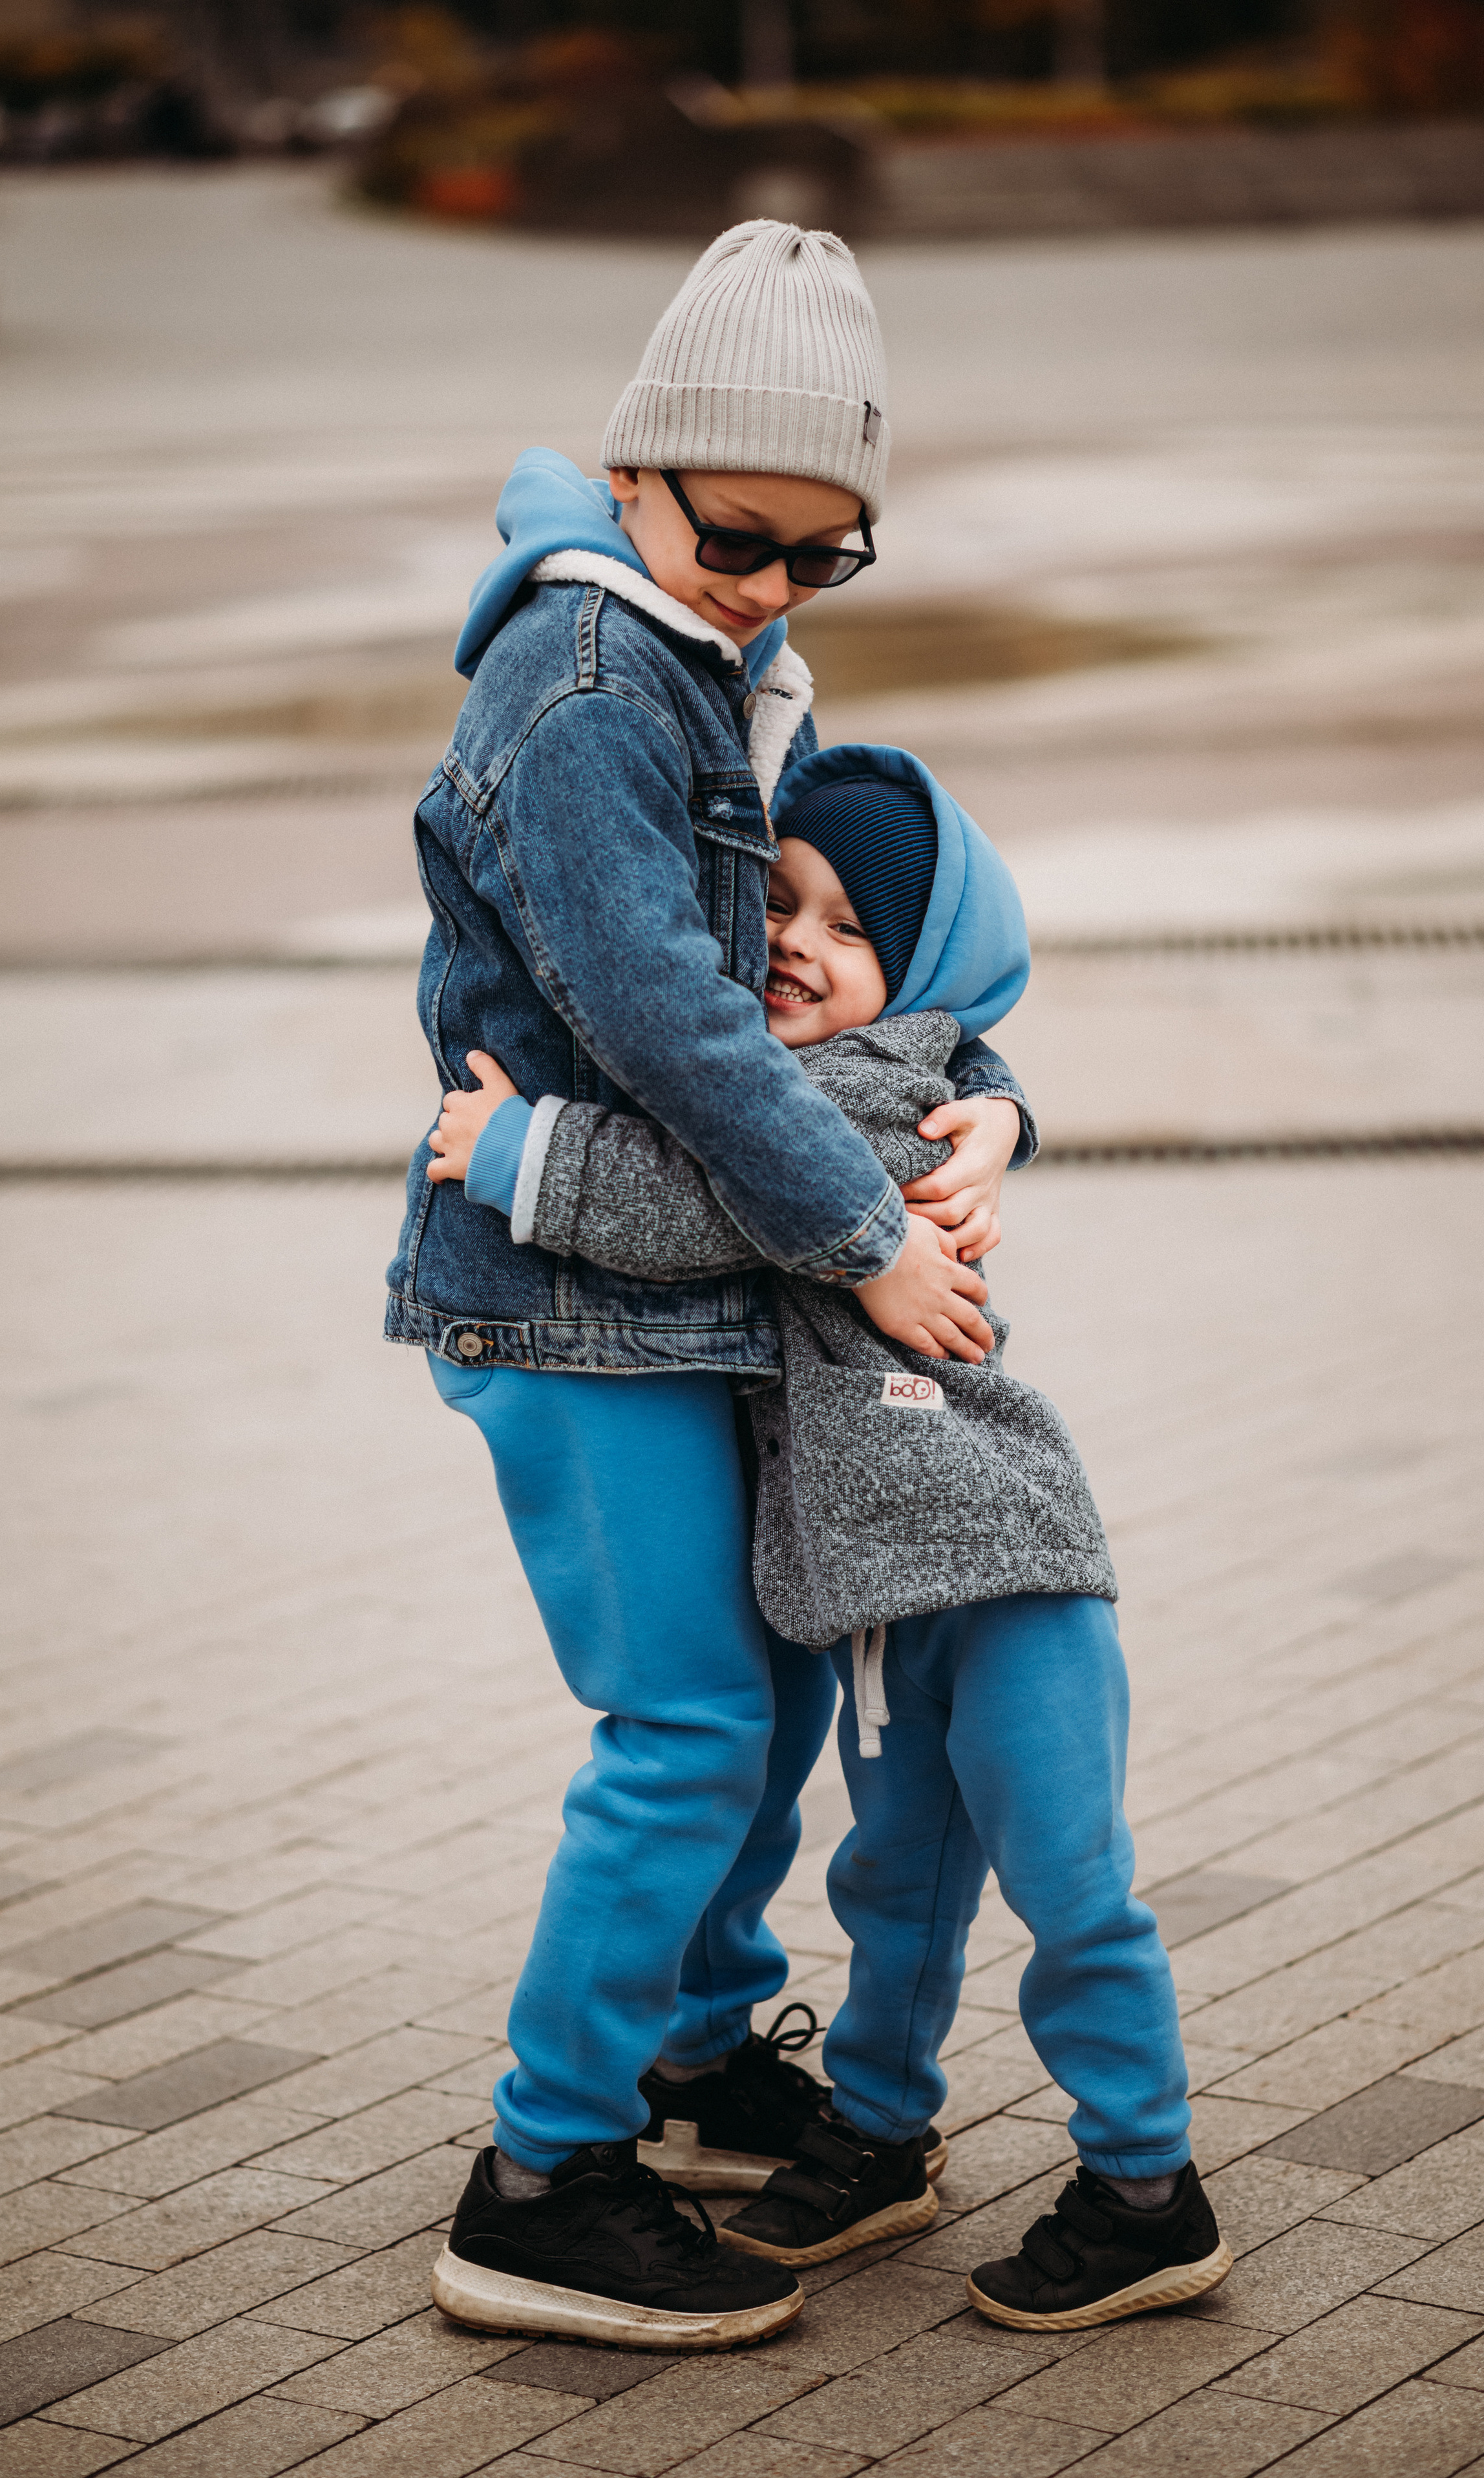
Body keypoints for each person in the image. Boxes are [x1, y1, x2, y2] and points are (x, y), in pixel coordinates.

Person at [386, 220, 1034, 2351]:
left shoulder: (710, 662)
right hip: (570, 1303)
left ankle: (692, 2042)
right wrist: (862, 1241)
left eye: (822, 557)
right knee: (682, 1724)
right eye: (741, 539)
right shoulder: (584, 689)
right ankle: (540, 2176)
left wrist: (991, 1105)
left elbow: (854, 970)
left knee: (744, 1713)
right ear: (642, 468)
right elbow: (674, 1023)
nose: (772, 585)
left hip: (683, 1289)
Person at [433, 745, 1234, 2335]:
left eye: (843, 925)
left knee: (1069, 1887)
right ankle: (876, 2130)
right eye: (775, 901)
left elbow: (723, 1197)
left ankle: (1144, 2187)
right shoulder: (930, 1082)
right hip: (879, 1591)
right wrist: (1007, 1101)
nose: (792, 939)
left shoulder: (873, 1098)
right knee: (896, 1883)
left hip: (1002, 1574)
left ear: (921, 976)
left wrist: (519, 1156)